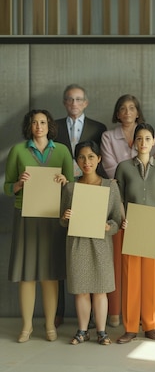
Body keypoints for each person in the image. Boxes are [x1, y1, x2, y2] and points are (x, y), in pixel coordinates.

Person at [4, 109, 74, 343]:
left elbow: (72, 187)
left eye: (43, 122)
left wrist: (66, 182)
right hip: (26, 216)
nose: (39, 126)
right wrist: (18, 185)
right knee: (27, 274)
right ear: (29, 126)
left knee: (50, 274)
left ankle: (49, 326)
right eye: (34, 122)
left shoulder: (62, 151)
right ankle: (26, 327)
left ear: (49, 125)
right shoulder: (18, 151)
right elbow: (7, 187)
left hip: (53, 217)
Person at [100, 94, 155, 327]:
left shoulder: (152, 140)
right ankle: (119, 314)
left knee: (148, 271)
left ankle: (149, 322)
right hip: (120, 204)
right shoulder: (108, 137)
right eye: (122, 108)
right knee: (122, 264)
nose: (127, 112)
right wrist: (132, 174)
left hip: (148, 212)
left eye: (132, 108)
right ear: (117, 113)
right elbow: (111, 169)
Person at [54, 84, 107, 327]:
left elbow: (101, 160)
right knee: (63, 253)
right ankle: (59, 311)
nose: (74, 103)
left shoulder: (99, 128)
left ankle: (96, 320)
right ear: (65, 103)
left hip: (91, 193)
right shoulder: (52, 127)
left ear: (85, 103)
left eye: (78, 99)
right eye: (69, 99)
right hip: (64, 190)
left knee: (92, 253)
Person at [60, 141, 122, 345]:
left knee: (101, 288)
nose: (86, 162)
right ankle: (82, 330)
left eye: (91, 157)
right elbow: (62, 220)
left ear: (99, 159)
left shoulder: (110, 186)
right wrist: (65, 216)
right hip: (78, 244)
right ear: (77, 161)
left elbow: (117, 220)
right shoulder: (70, 187)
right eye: (82, 158)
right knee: (81, 289)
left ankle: (102, 332)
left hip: (101, 244)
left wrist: (108, 226)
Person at [114, 123, 155, 344]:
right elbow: (118, 197)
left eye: (147, 138)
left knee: (151, 277)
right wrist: (122, 218)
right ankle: (129, 327)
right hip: (132, 225)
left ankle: (150, 325)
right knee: (130, 277)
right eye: (139, 139)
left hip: (153, 225)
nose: (143, 142)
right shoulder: (123, 167)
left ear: (153, 141)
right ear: (133, 142)